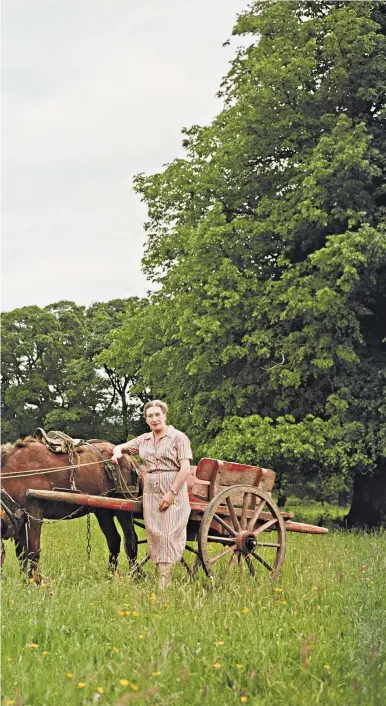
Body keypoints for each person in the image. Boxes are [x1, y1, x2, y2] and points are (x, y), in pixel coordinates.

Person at [111, 400, 192, 589]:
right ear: (146, 419)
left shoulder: (178, 438)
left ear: (165, 415)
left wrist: (171, 494)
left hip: (173, 488)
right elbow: (121, 447)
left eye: (157, 415)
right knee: (155, 534)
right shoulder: (144, 440)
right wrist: (116, 453)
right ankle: (161, 576)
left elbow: (186, 468)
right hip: (150, 491)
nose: (154, 419)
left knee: (168, 535)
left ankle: (164, 584)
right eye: (150, 416)